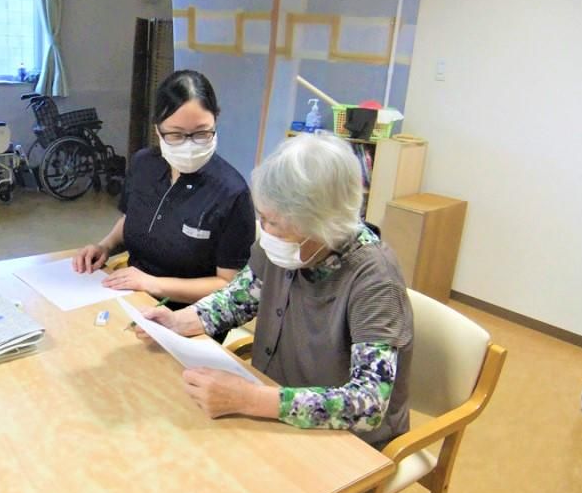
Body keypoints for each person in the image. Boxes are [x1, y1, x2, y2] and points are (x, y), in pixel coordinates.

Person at [136, 132, 414, 448]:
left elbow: (369, 404)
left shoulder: (376, 282)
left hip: (344, 440)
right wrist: (178, 321)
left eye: (274, 223)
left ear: (321, 225)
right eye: (263, 218)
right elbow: (239, 298)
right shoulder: (292, 246)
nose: (265, 231)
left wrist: (250, 398)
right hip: (273, 404)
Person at [73, 70, 256, 310]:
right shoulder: (144, 164)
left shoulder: (231, 193)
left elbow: (228, 284)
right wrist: (105, 246)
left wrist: (153, 284)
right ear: (158, 129)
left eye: (201, 133)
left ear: (216, 121)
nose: (189, 144)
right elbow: (132, 218)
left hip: (188, 315)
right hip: (132, 297)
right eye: (176, 135)